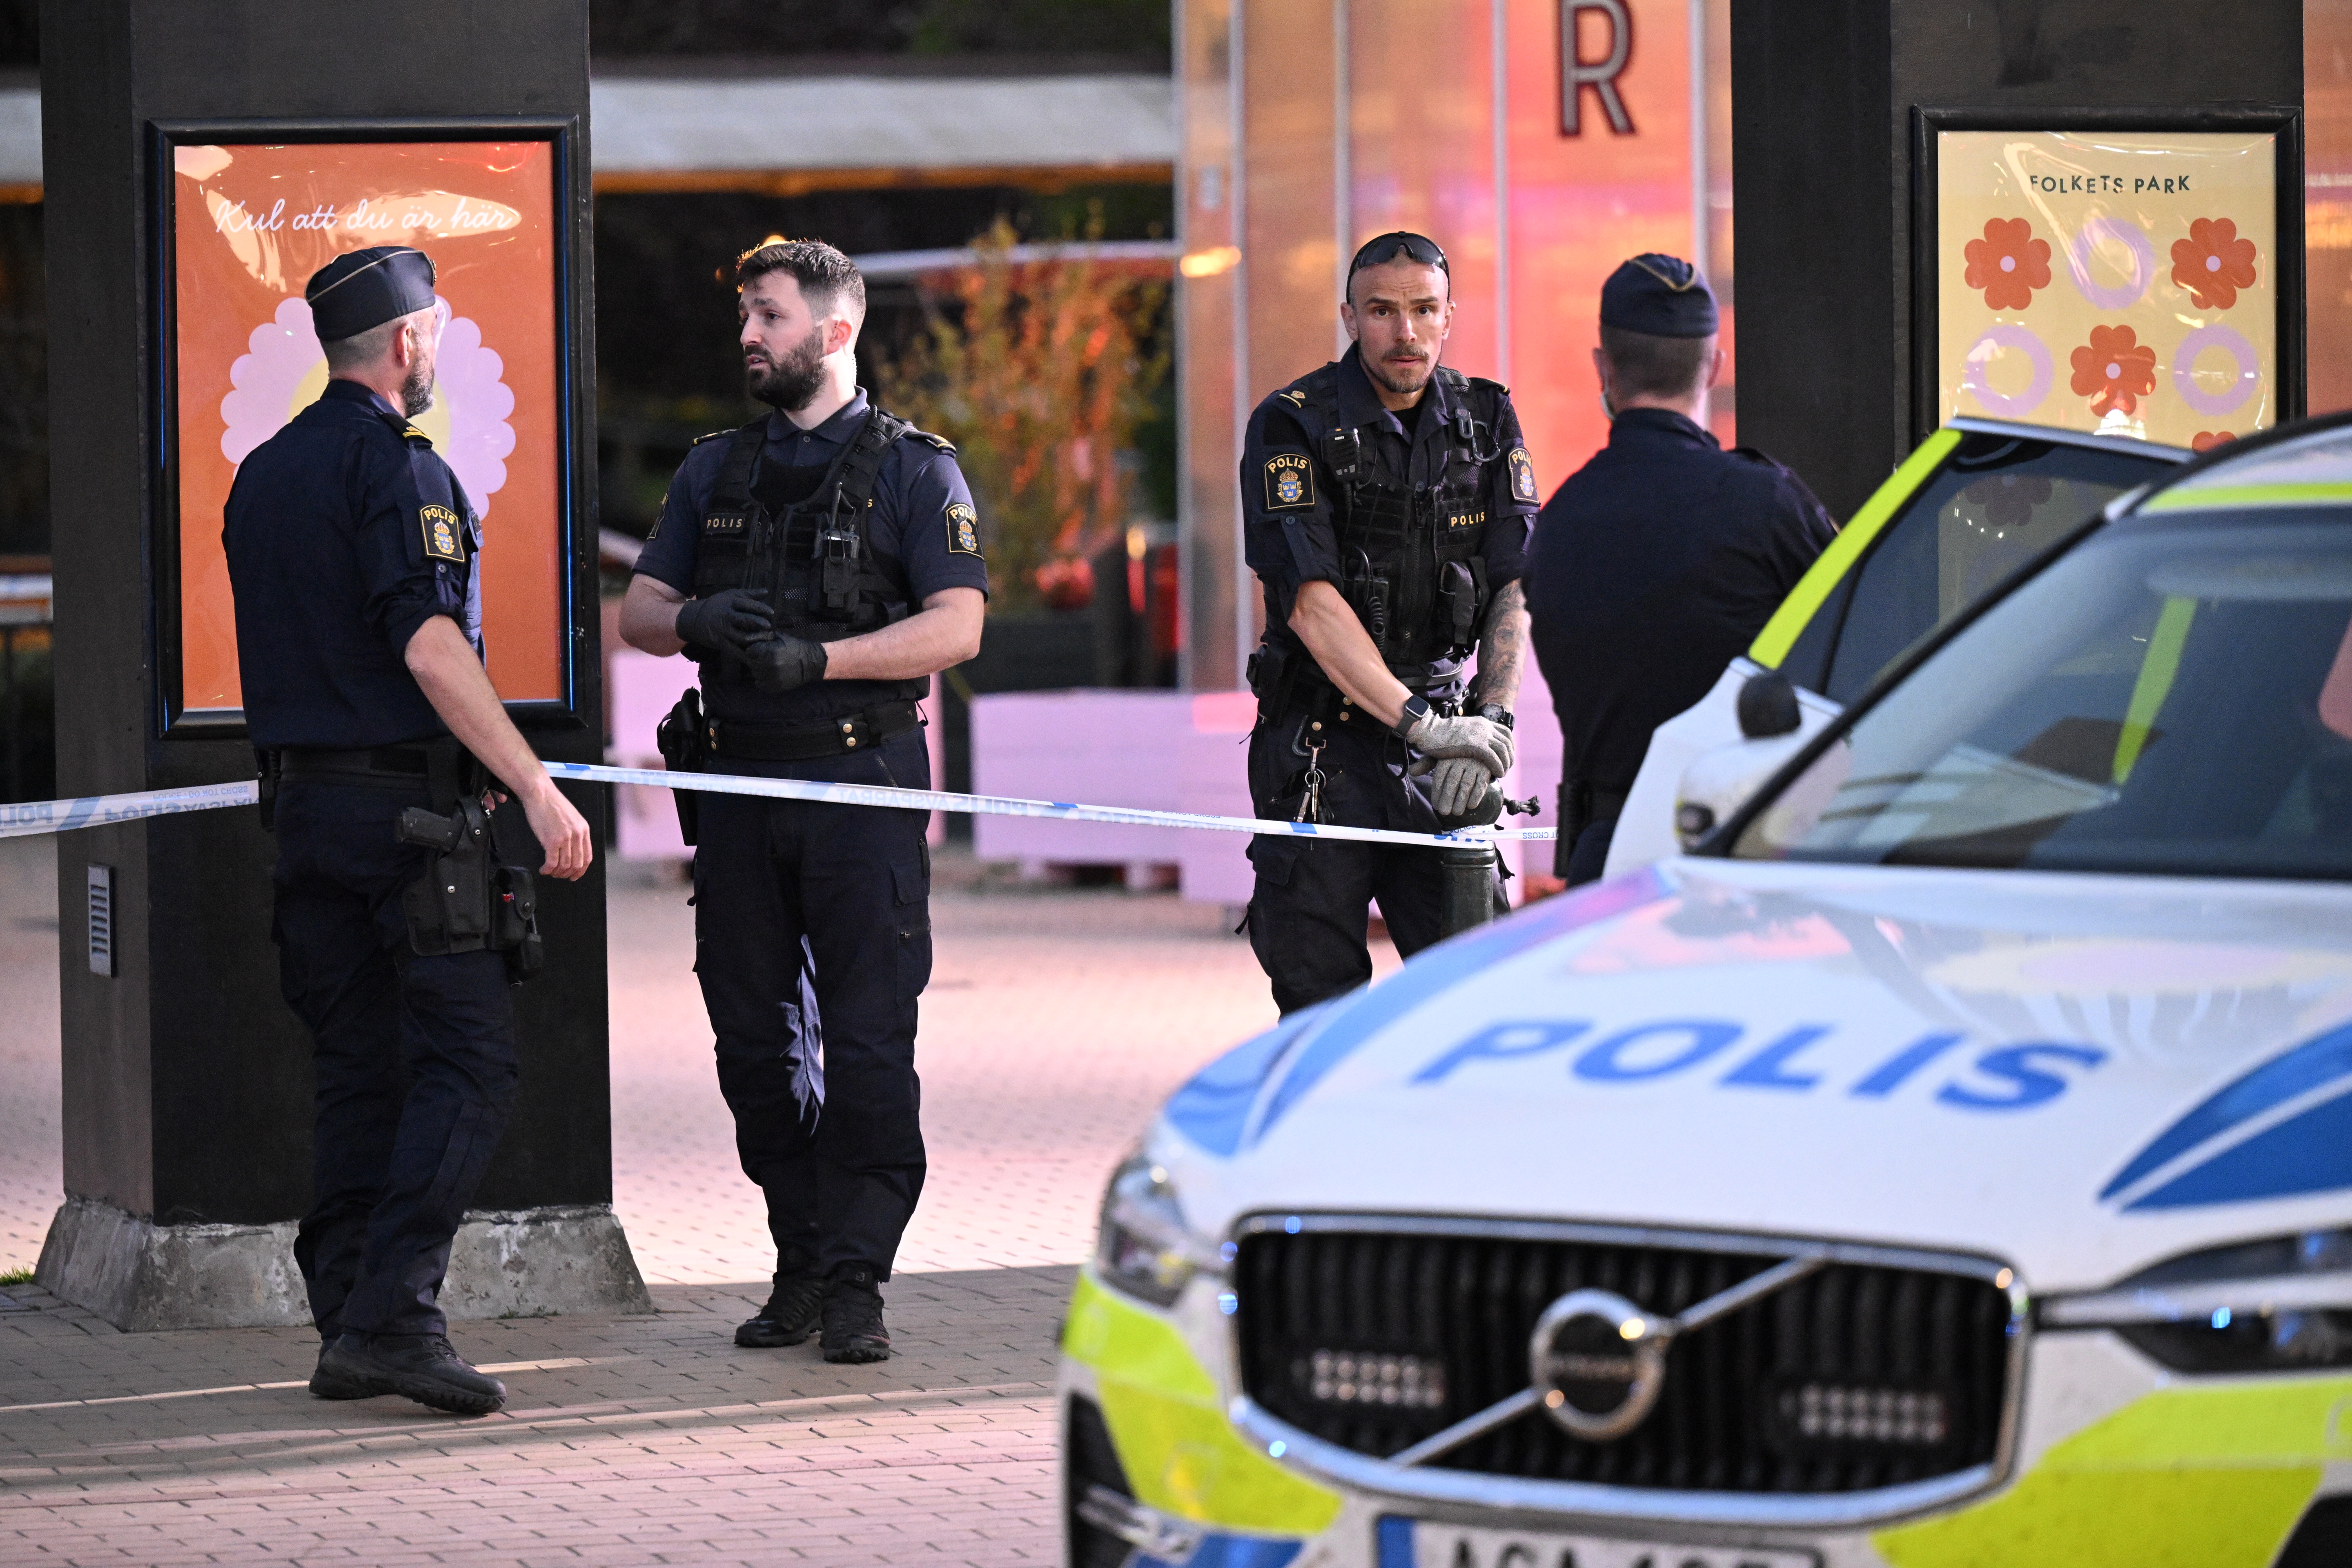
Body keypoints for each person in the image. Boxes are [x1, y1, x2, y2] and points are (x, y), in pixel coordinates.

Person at [223, 245, 595, 1417]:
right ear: (407, 342)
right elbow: (429, 643)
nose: (436, 344)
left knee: (358, 1070)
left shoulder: (263, 474)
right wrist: (534, 787)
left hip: (308, 817)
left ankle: (347, 1314)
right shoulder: (402, 473)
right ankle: (392, 1320)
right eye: (436, 327)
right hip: (412, 826)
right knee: (470, 1068)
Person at [618, 238, 986, 1364]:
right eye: (745, 316)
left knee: (870, 1045)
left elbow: (958, 626)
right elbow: (638, 607)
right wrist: (694, 626)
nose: (747, 337)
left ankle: (857, 1280)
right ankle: (800, 1257)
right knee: (752, 1046)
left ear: (833, 332)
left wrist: (822, 664)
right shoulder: (712, 471)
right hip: (734, 785)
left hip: (857, 781)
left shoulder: (918, 470)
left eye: (769, 317)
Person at [1238, 231, 1537, 1015]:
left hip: (1445, 752)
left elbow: (1514, 585)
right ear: (1349, 317)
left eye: (1423, 310)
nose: (1405, 333)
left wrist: (1491, 726)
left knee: (1475, 1000)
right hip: (1320, 750)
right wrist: (1423, 727)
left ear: (1449, 317)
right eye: (1382, 311)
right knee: (1320, 1010)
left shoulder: (1488, 417)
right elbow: (1311, 603)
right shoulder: (1290, 425)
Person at [1526, 254, 1838, 886]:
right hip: (1749, 857)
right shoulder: (1767, 503)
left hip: (1607, 868)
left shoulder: (1558, 523)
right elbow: (1854, 643)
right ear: (1715, 364)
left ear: (1603, 367)